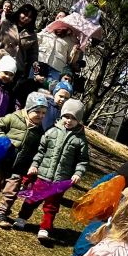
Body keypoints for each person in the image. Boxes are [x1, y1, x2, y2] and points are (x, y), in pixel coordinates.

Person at [13, 97, 89, 242]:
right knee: (32, 199)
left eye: (73, 118)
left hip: (60, 180)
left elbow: (82, 161)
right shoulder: (51, 131)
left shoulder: (80, 140)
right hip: (43, 175)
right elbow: (40, 151)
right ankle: (21, 218)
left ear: (79, 120)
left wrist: (78, 173)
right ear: (62, 115)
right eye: (66, 116)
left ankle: (45, 228)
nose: (69, 120)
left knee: (51, 206)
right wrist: (34, 165)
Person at [0, 91, 50, 223]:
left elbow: (39, 150)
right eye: (37, 112)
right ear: (28, 109)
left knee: (12, 191)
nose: (41, 115)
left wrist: (33, 165)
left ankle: (2, 213)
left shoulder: (40, 131)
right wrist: (3, 140)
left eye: (44, 113)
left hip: (20, 166)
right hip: (4, 160)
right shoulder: (13, 118)